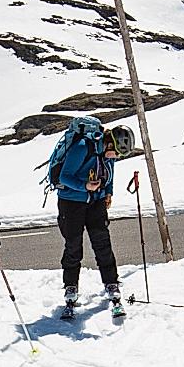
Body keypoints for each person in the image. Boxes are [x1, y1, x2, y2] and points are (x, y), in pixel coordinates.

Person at [54, 123, 124, 319]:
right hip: (71, 203)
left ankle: (111, 282)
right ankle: (70, 287)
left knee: (102, 243)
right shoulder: (82, 147)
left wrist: (108, 193)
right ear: (109, 144)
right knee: (73, 246)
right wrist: (85, 186)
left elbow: (109, 175)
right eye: (116, 153)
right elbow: (64, 176)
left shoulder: (108, 154)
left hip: (96, 201)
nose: (117, 157)